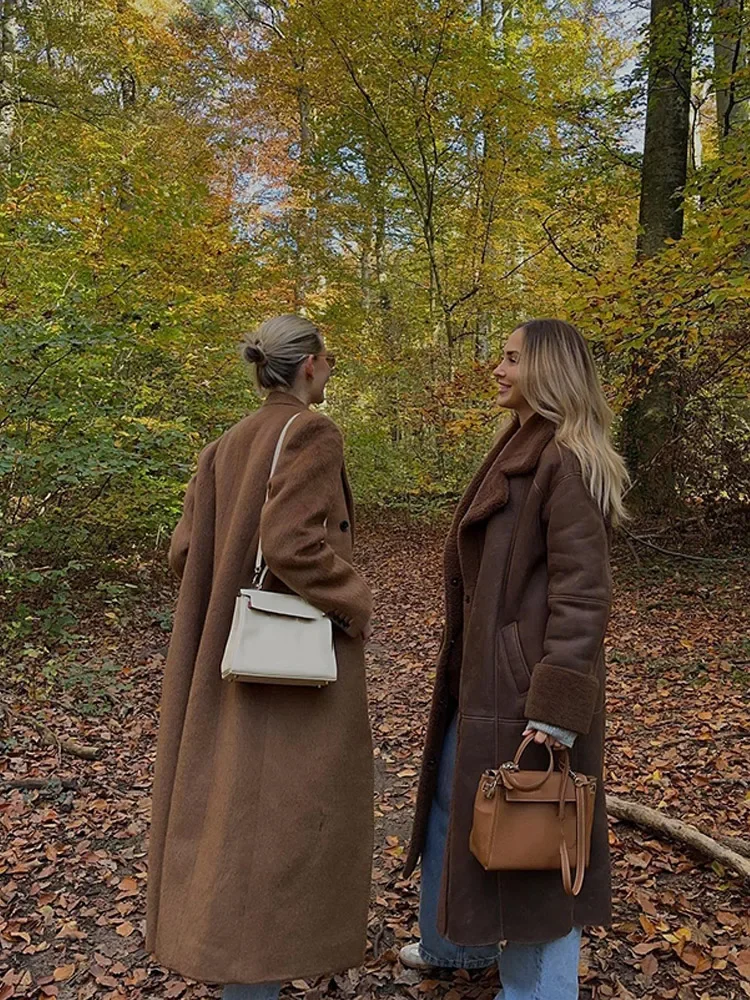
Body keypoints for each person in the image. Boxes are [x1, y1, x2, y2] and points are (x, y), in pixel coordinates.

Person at [146, 315, 374, 1000]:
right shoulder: (310, 432)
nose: (330, 369)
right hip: (283, 668)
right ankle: (254, 980)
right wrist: (353, 598)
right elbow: (291, 544)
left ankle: (233, 970)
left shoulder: (222, 446)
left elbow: (183, 552)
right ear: (307, 366)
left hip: (218, 657)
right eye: (327, 358)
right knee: (276, 826)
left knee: (230, 815)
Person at [400, 319, 629, 1000]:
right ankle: (455, 945)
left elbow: (584, 595)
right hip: (487, 686)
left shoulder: (566, 458)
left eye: (509, 359)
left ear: (548, 371)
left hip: (532, 695)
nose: (496, 370)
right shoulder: (523, 443)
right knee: (457, 805)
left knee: (539, 841)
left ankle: (541, 993)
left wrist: (555, 713)